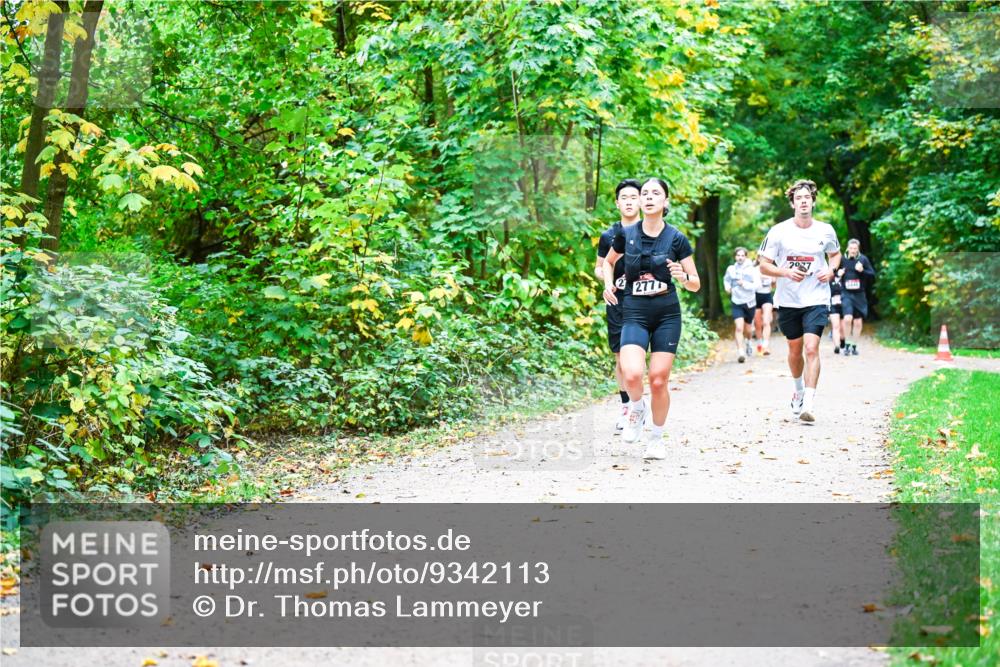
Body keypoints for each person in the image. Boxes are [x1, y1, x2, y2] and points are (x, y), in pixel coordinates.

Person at [602, 178, 700, 459]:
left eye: (656, 193)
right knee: (632, 373)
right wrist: (608, 284)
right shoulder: (626, 233)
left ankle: (656, 438)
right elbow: (608, 262)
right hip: (634, 311)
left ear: (665, 202)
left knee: (658, 380)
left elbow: (696, 283)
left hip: (666, 314)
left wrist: (684, 277)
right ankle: (637, 407)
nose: (648, 197)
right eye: (645, 193)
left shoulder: (677, 238)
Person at [758, 179, 842, 423]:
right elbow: (763, 265)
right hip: (788, 300)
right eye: (799, 198)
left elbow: (835, 255)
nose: (803, 201)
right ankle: (798, 390)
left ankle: (809, 402)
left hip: (816, 297)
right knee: (795, 350)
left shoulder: (825, 230)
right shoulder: (779, 231)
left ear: (813, 201)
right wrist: (785, 272)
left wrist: (831, 271)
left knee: (811, 348)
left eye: (807, 197)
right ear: (793, 203)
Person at [595, 179, 642, 432]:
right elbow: (600, 267)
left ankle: (638, 403)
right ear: (617, 203)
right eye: (624, 198)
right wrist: (608, 280)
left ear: (641, 200)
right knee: (620, 356)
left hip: (644, 300)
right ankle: (626, 406)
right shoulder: (608, 235)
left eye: (633, 197)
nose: (629, 202)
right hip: (617, 299)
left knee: (637, 355)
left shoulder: (650, 231)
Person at [839, 238, 875, 356]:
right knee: (848, 318)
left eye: (855, 248)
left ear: (858, 249)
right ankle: (847, 345)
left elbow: (872, 275)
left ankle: (853, 345)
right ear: (848, 248)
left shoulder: (863, 259)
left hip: (859, 294)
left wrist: (862, 270)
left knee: (858, 322)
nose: (853, 250)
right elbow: (833, 272)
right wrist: (838, 274)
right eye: (851, 248)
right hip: (846, 293)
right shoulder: (842, 259)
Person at [723, 247, 760, 363]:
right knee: (739, 327)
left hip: (749, 302)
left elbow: (757, 286)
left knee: (748, 329)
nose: (740, 257)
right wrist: (727, 287)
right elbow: (726, 280)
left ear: (746, 257)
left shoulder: (753, 270)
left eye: (742, 255)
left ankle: (748, 342)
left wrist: (745, 284)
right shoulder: (731, 269)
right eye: (738, 255)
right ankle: (740, 352)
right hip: (736, 301)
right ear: (735, 257)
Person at [752, 258, 774, 355]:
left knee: (766, 321)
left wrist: (773, 281)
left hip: (767, 296)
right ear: (758, 258)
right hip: (755, 296)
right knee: (758, 324)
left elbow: (774, 285)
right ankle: (760, 343)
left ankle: (766, 345)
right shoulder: (754, 269)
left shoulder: (772, 268)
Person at [829, 269, 845, 354]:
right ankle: (837, 346)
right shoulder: (830, 280)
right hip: (833, 305)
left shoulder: (846, 279)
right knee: (836, 326)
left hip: (844, 305)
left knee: (843, 328)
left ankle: (842, 342)